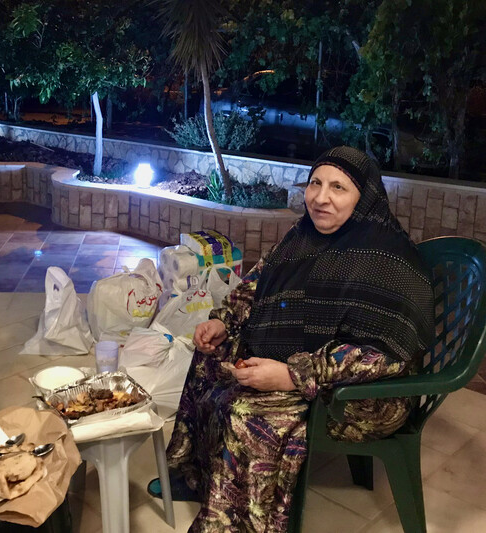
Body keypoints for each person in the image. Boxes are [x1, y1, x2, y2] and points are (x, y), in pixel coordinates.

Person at [148, 146, 435, 532]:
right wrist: (224, 320)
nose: (320, 197)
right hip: (315, 366)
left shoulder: (387, 260)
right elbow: (258, 283)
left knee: (249, 415)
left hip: (370, 394)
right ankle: (199, 476)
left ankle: (238, 523)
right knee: (212, 358)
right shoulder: (302, 238)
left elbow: (382, 357)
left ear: (364, 197)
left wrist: (291, 375)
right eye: (315, 183)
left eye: (338, 187)